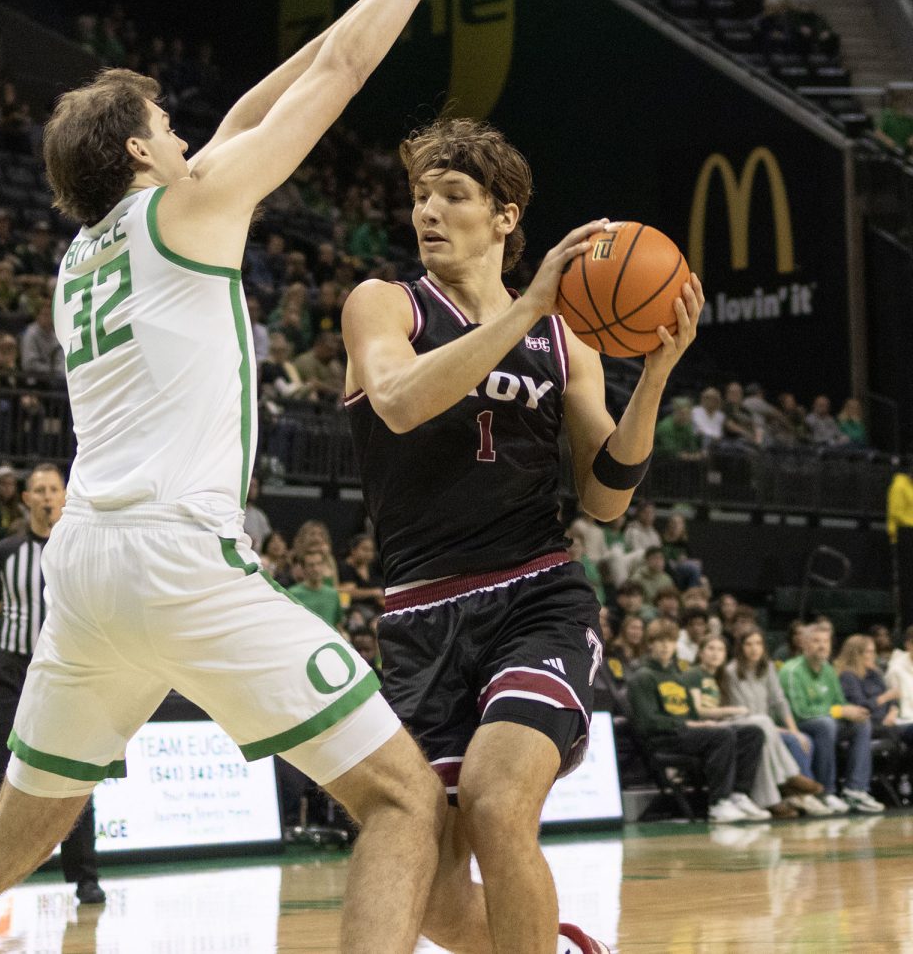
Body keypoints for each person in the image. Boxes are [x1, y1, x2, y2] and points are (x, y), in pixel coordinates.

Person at [0, 0, 505, 954]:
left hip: (88, 564)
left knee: (6, 837)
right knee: (399, 797)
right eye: (169, 126)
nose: (191, 134)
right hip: (172, 553)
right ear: (143, 156)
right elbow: (334, 81)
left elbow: (248, 114)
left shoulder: (83, 255)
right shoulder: (189, 208)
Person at [341, 108, 702, 950]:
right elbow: (397, 401)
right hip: (419, 615)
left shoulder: (563, 338)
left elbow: (605, 495)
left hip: (534, 598)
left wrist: (650, 381)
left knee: (501, 802)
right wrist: (529, 302)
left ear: (505, 217)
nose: (428, 211)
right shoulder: (385, 304)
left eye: (453, 195)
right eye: (421, 196)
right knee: (429, 888)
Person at [0, 465, 104, 906]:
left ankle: (85, 877)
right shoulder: (5, 552)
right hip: (13, 674)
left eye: (53, 489)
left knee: (78, 776)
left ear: (65, 496)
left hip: (68, 672)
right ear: (26, 499)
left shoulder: (84, 549)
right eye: (38, 490)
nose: (46, 497)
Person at [627, 619, 767, 823]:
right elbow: (647, 722)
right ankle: (718, 803)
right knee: (722, 735)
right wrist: (685, 724)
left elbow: (690, 712)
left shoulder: (677, 675)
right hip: (663, 738)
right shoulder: (643, 677)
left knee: (752, 732)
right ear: (650, 644)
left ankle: (739, 794)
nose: (666, 646)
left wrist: (699, 723)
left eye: (670, 641)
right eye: (660, 641)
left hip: (688, 732)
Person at [685, 635, 819, 818]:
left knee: (762, 729)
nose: (716, 654)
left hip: (725, 724)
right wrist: (731, 710)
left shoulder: (718, 674)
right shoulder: (697, 674)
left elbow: (778, 700)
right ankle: (786, 778)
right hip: (709, 727)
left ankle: (778, 794)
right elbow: (698, 710)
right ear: (700, 652)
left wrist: (790, 730)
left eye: (720, 649)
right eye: (711, 649)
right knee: (762, 723)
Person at [779, 624, 885, 812]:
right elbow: (800, 711)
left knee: (861, 723)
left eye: (826, 641)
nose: (822, 646)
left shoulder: (828, 669)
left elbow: (839, 701)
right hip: (796, 725)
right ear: (804, 644)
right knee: (826, 724)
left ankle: (855, 790)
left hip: (824, 721)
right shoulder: (792, 670)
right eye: (816, 641)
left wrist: (850, 711)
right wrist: (838, 712)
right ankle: (826, 792)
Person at [725, 629, 831, 815]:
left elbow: (779, 701)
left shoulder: (767, 667)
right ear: (740, 648)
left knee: (798, 740)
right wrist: (773, 728)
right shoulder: (731, 671)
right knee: (763, 731)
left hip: (765, 726)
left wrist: (794, 731)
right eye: (748, 644)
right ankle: (786, 782)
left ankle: (797, 797)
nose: (754, 649)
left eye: (758, 644)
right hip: (742, 724)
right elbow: (740, 711)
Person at [837, 634, 913, 751]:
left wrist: (893, 711)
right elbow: (860, 708)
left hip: (889, 722)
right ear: (856, 654)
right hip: (869, 724)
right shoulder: (848, 677)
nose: (873, 656)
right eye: (869, 652)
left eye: (874, 652)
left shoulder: (874, 673)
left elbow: (892, 697)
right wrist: (883, 698)